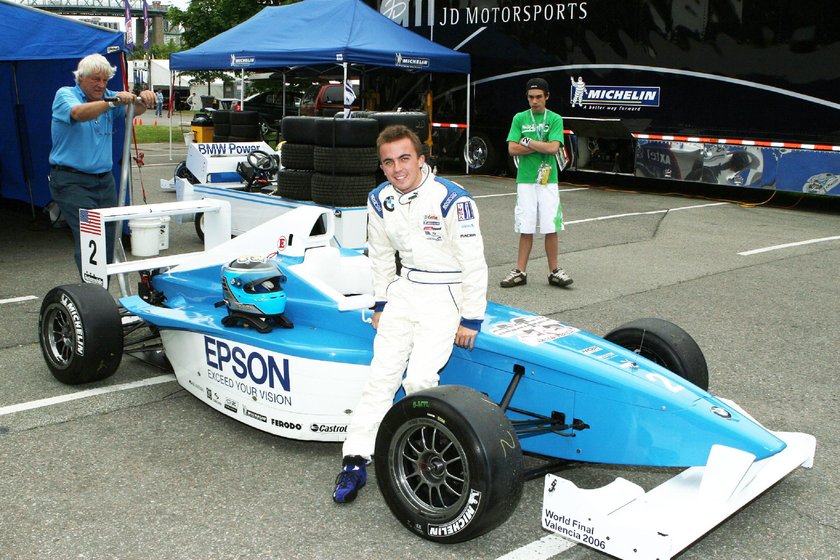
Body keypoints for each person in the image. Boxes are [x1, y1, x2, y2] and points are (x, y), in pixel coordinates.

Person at [333, 125, 488, 503]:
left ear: (421, 159)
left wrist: (471, 317)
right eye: (388, 162)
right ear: (381, 166)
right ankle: (354, 460)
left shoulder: (453, 199)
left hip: (446, 292)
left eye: (405, 158)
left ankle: (424, 458)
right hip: (405, 289)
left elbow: (473, 262)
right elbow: (381, 256)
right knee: (381, 376)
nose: (397, 168)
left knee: (419, 378)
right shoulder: (379, 199)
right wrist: (382, 303)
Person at [49, 53, 155, 277]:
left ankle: (100, 285)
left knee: (109, 233)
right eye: (96, 79)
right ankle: (93, 290)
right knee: (90, 233)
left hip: (104, 180)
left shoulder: (109, 97)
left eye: (105, 80)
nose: (101, 85)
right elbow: (78, 113)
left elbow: (135, 109)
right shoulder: (65, 95)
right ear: (81, 78)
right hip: (71, 180)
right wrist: (110, 102)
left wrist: (144, 98)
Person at [500, 77, 573, 289]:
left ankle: (554, 271)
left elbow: (553, 148)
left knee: (551, 226)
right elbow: (512, 149)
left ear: (547, 97)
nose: (534, 101)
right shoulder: (519, 118)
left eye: (539, 97)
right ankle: (520, 271)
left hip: (548, 180)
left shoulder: (555, 119)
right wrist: (541, 144)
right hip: (525, 179)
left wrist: (527, 141)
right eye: (531, 97)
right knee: (526, 226)